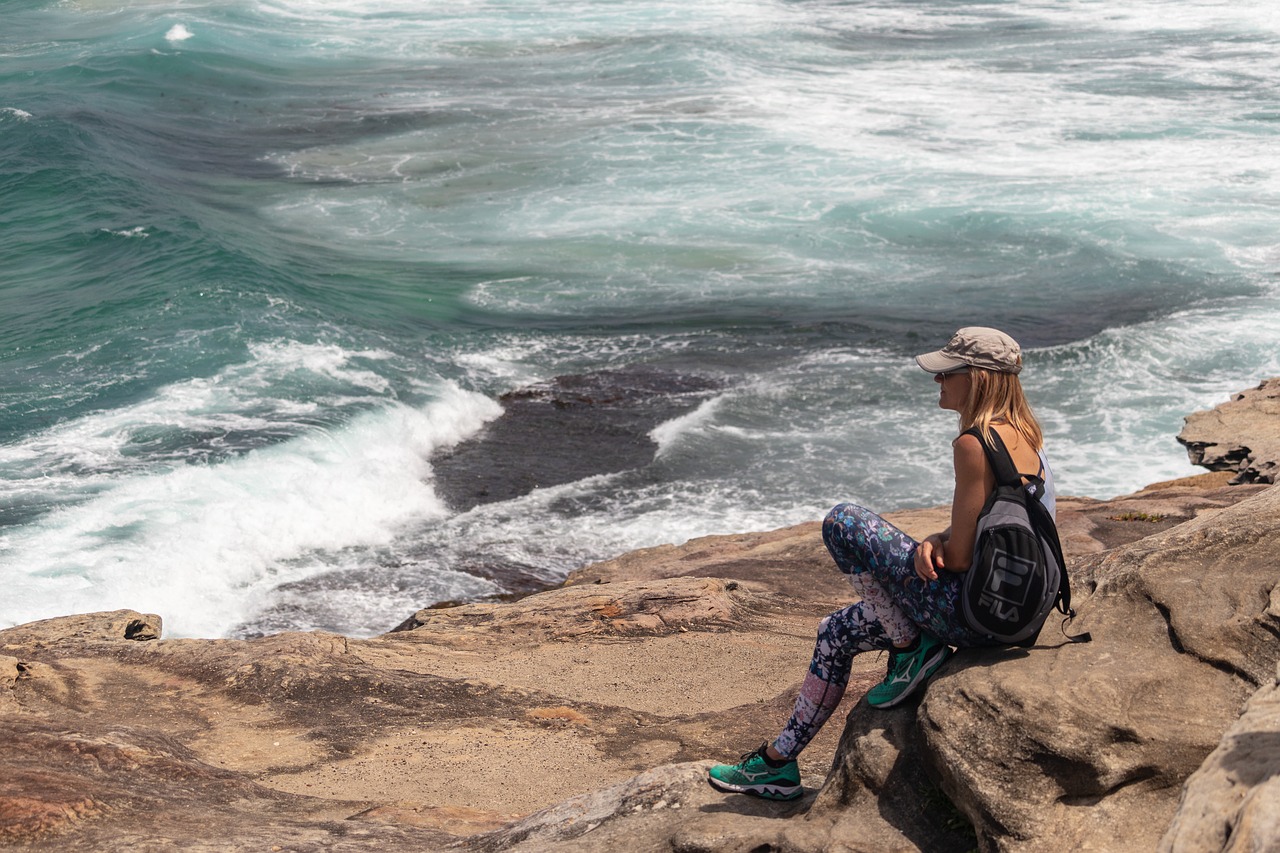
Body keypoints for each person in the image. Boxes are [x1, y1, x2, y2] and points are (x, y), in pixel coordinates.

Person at [707, 327, 1055, 801]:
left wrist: (934, 549)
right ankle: (778, 763)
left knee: (843, 521)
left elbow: (961, 557)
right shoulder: (1026, 436)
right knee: (836, 632)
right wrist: (937, 537)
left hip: (967, 614)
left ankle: (911, 647)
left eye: (946, 374)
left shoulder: (974, 443)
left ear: (976, 378)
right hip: (1012, 617)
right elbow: (995, 527)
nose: (938, 383)